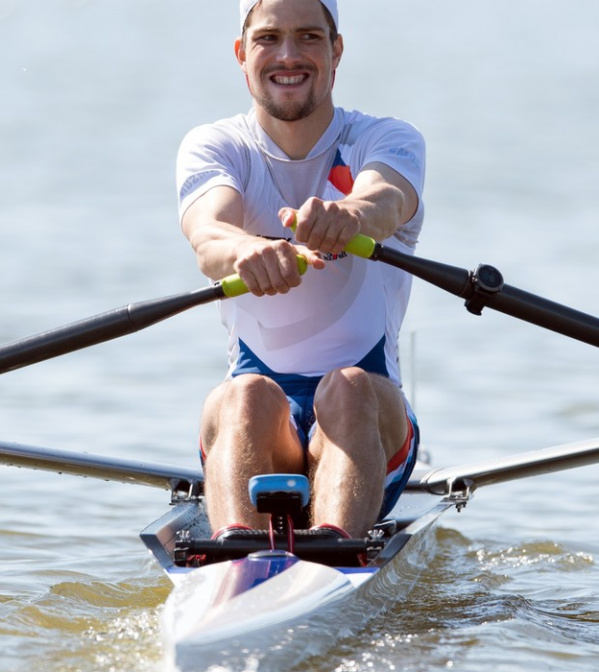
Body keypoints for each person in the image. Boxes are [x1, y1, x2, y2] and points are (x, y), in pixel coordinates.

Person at [175, 0, 426, 544]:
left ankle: (337, 547)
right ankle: (238, 552)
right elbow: (209, 234)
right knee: (243, 396)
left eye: (309, 37)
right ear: (242, 54)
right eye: (268, 38)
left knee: (350, 387)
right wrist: (246, 252)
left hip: (370, 421)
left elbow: (383, 200)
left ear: (337, 51)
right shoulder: (216, 146)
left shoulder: (387, 139)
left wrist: (349, 216)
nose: (288, 55)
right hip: (260, 422)